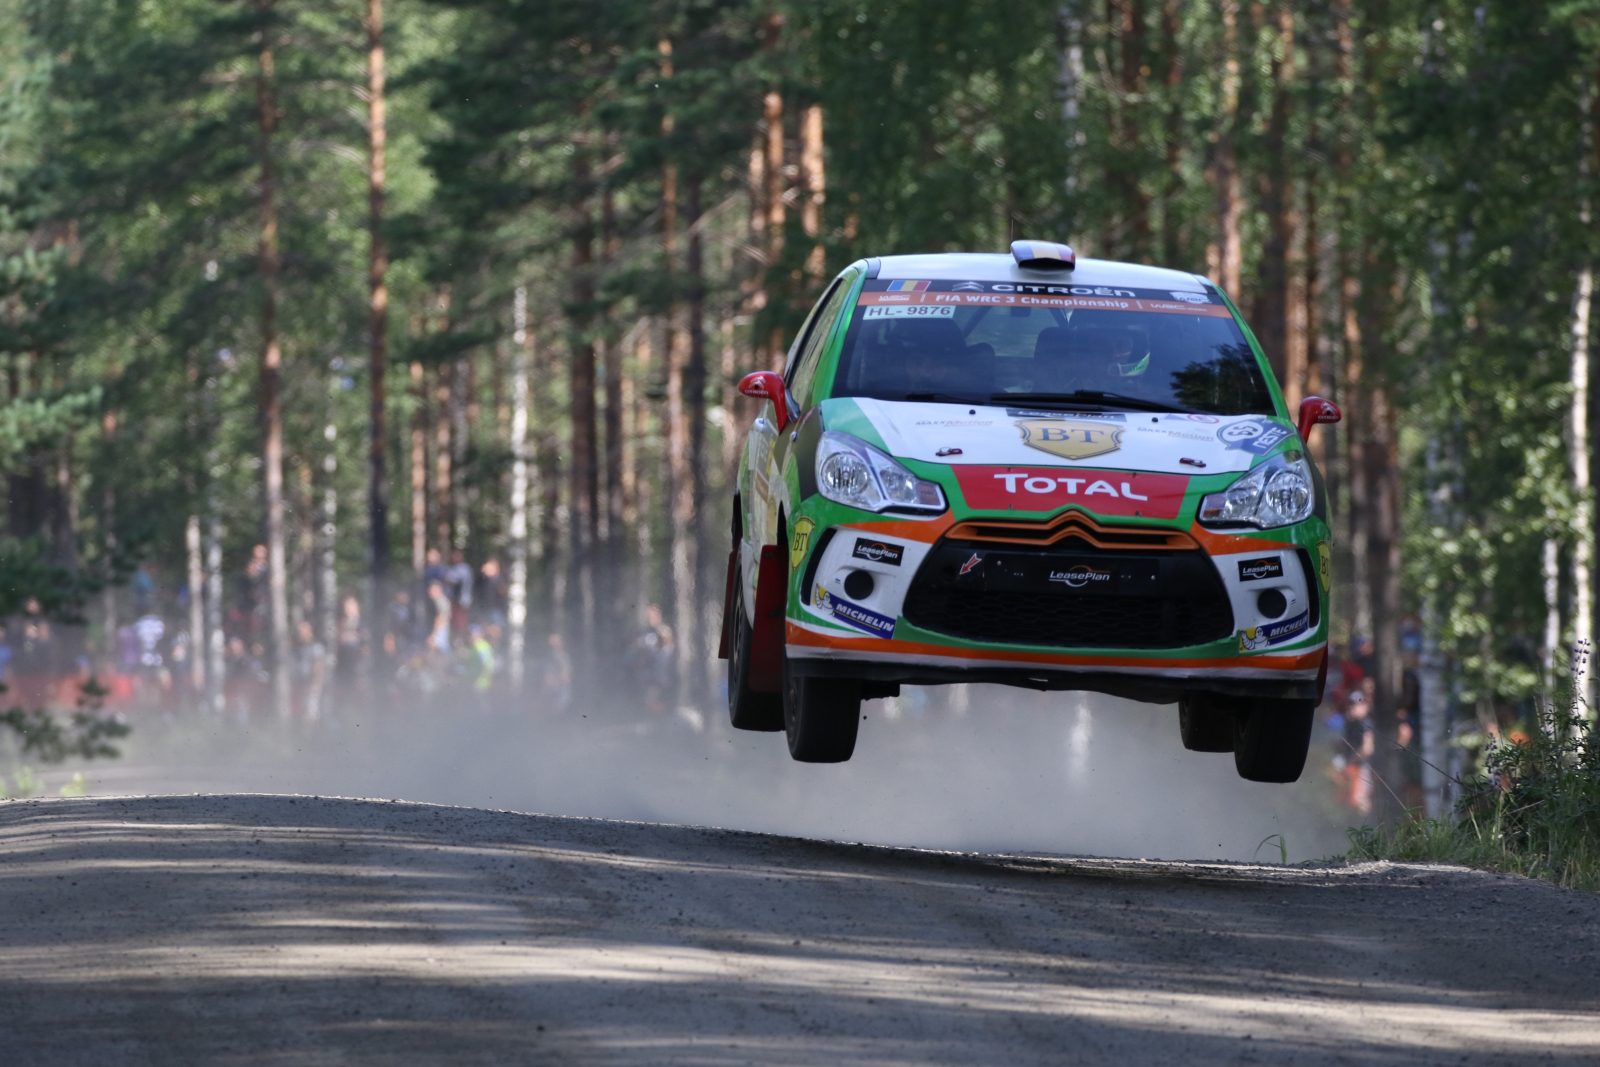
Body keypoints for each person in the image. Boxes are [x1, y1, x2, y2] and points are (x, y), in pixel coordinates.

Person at [1342, 689, 1376, 815]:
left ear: (1365, 706)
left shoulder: (1365, 723)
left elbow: (1368, 748)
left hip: (1362, 767)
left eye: (1357, 704)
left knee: (1360, 801)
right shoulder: (1352, 722)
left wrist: (1351, 761)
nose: (1353, 707)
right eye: (1351, 704)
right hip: (1353, 766)